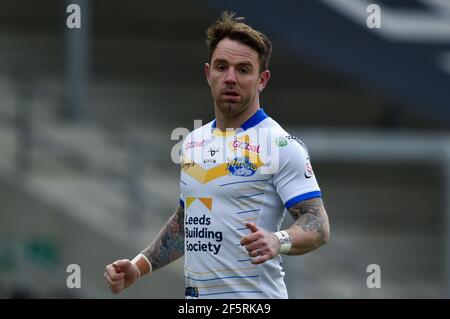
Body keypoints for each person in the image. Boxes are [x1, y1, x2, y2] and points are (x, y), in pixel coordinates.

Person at [105, 11, 330, 299]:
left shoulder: (280, 145)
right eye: (222, 67)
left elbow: (318, 224)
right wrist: (139, 266)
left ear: (262, 80)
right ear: (208, 73)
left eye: (243, 69)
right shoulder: (193, 142)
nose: (231, 78)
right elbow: (187, 223)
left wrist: (278, 239)